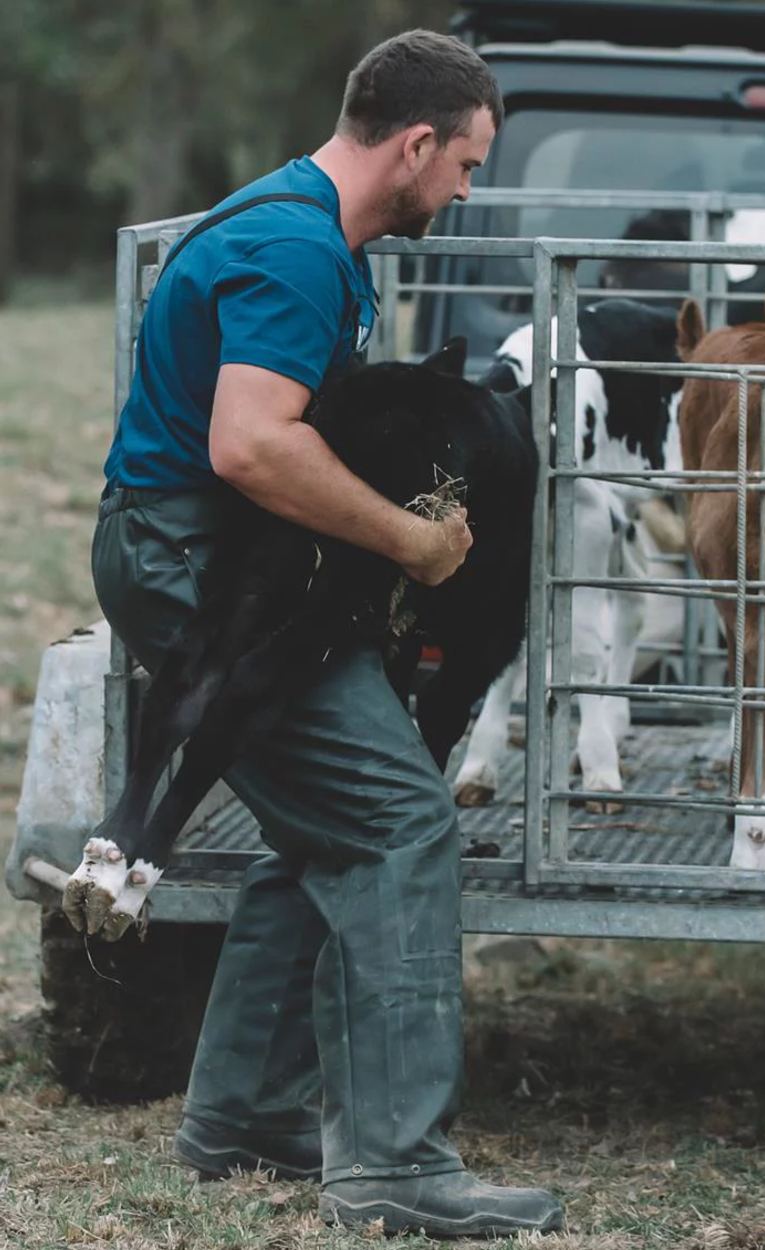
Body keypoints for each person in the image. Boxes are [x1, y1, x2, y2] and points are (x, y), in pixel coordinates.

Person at [91, 28, 564, 1239]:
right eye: (464, 165)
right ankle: (396, 1166)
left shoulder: (310, 229)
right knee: (403, 824)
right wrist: (410, 543)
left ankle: (244, 1112)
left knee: (324, 830)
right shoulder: (297, 248)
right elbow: (250, 444)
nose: (466, 192)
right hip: (197, 570)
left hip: (212, 559)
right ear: (414, 144)